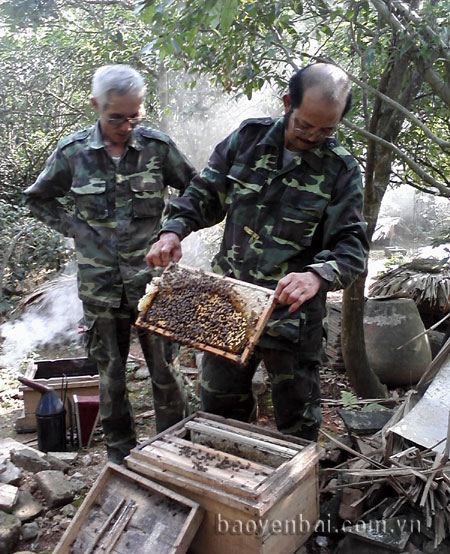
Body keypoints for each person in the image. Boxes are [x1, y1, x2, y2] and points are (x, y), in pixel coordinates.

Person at [147, 63, 369, 441]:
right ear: (287, 104)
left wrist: (317, 275)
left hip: (292, 318)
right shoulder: (247, 139)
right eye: (304, 125)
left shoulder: (341, 169)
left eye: (326, 130)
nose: (313, 137)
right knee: (218, 411)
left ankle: (293, 497)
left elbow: (352, 245)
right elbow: (204, 194)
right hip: (228, 303)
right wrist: (172, 231)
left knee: (297, 425)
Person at [24, 64, 197, 464]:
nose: (125, 125)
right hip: (100, 287)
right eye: (115, 116)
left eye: (134, 115)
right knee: (111, 376)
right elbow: (37, 198)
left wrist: (173, 229)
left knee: (165, 372)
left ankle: (173, 450)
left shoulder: (157, 148)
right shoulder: (73, 153)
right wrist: (72, 227)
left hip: (153, 284)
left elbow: (198, 191)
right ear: (95, 106)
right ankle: (121, 455)